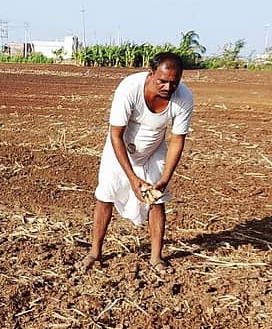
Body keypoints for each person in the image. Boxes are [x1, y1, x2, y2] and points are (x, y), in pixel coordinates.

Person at [77, 52, 194, 275]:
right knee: (106, 196)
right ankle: (94, 252)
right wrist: (132, 179)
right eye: (162, 81)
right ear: (151, 74)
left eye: (174, 82)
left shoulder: (184, 98)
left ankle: (156, 257)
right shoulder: (129, 88)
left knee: (157, 201)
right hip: (120, 148)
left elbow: (177, 139)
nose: (168, 88)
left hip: (154, 150)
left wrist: (164, 179)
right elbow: (116, 135)